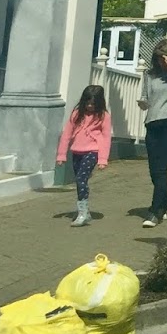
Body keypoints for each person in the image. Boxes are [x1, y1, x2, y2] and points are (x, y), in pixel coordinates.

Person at [137, 39, 167, 228]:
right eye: (159, 59)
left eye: (166, 58)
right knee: (154, 171)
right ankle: (166, 200)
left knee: (161, 168)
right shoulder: (150, 75)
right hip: (152, 124)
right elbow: (146, 97)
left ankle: (155, 211)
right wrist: (143, 102)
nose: (162, 62)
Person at [56, 84, 111, 227]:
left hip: (93, 151)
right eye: (87, 103)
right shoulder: (76, 114)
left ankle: (82, 212)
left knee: (81, 179)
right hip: (76, 151)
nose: (90, 106)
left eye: (93, 104)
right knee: (80, 181)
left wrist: (103, 159)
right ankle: (85, 210)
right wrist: (61, 154)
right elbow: (66, 134)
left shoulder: (104, 116)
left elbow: (106, 138)